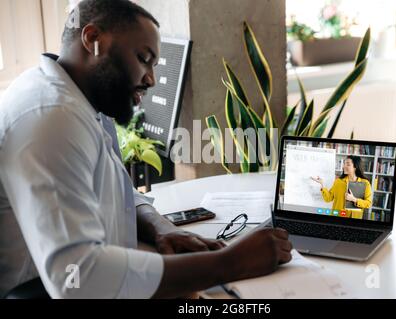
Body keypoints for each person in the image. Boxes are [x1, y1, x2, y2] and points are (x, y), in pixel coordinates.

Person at [0, 0, 292, 299]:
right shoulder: (52, 117)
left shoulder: (81, 101)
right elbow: (77, 277)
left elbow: (113, 190)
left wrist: (161, 227)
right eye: (143, 58)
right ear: (92, 40)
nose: (151, 79)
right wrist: (229, 263)